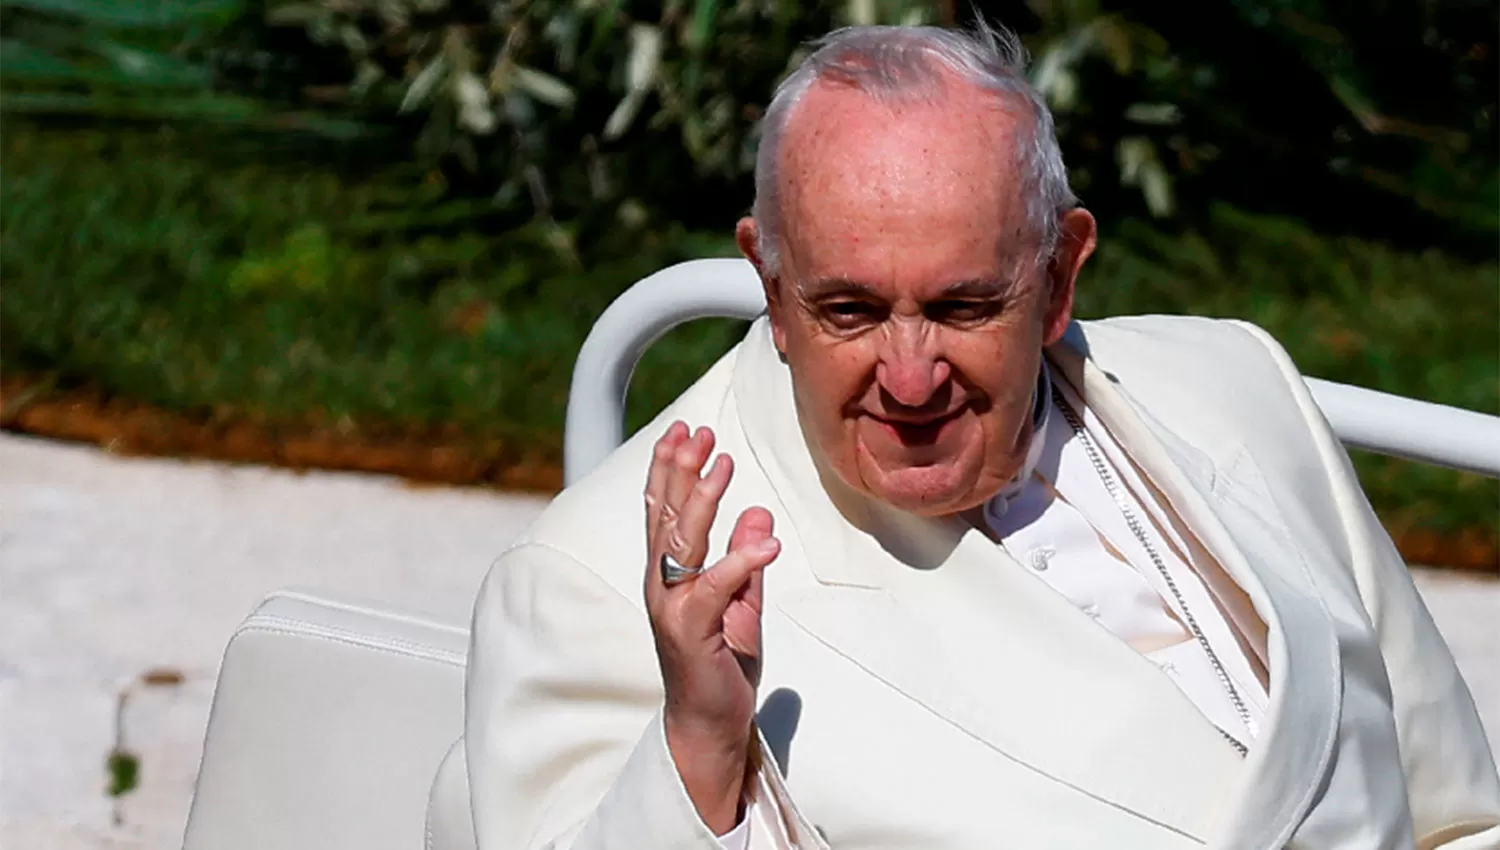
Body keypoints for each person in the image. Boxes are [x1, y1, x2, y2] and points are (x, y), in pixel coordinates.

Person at [457, 22, 1500, 849]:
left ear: (1057, 275)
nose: (910, 378)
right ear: (771, 287)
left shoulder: (1240, 389)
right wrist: (697, 756)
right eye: (850, 312)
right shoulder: (582, 579)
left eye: (962, 308)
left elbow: (1459, 814)